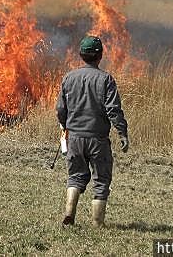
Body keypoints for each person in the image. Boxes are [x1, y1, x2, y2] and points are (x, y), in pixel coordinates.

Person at [55, 35, 129, 227]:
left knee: (75, 176)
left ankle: (69, 214)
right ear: (100, 56)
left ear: (81, 55)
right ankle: (98, 222)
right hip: (97, 140)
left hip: (75, 138)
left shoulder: (69, 78)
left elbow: (61, 109)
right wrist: (122, 132)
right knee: (102, 179)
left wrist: (64, 126)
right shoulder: (106, 79)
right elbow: (113, 109)